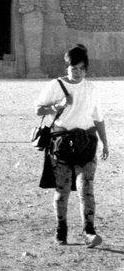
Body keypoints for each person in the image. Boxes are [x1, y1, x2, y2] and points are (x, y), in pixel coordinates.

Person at [35, 44, 110, 247]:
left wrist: (105, 143)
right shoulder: (55, 85)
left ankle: (89, 231)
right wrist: (57, 106)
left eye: (80, 68)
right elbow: (38, 110)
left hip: (86, 144)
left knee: (87, 189)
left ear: (85, 69)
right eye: (72, 68)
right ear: (66, 67)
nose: (76, 72)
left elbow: (98, 118)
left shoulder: (91, 89)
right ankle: (61, 230)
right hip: (61, 146)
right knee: (62, 191)